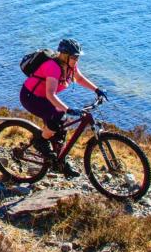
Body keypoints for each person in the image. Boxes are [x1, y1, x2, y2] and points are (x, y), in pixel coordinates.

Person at [21, 38, 106, 177]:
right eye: (74, 57)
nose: (76, 59)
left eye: (78, 56)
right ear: (65, 56)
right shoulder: (53, 67)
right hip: (31, 97)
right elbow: (50, 94)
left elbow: (79, 79)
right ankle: (40, 142)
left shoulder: (71, 66)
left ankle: (60, 163)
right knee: (57, 118)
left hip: (44, 97)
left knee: (63, 127)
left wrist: (97, 90)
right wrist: (67, 109)